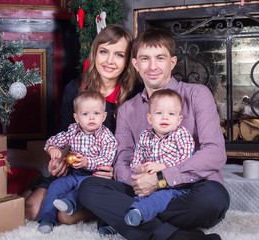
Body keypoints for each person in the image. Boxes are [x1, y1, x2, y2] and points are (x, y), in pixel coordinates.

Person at [78, 28, 230, 240]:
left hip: (190, 189)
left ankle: (128, 220)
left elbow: (214, 153)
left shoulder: (197, 94)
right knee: (88, 188)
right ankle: (176, 236)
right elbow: (122, 160)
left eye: (160, 58)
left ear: (172, 62)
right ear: (135, 64)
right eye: (144, 59)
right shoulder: (127, 109)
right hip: (141, 187)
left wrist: (162, 178)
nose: (152, 66)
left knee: (214, 198)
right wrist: (140, 181)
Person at [23, 24, 141, 224]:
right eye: (104, 52)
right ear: (95, 53)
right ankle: (32, 186)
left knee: (65, 216)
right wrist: (59, 158)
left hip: (105, 174)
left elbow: (139, 144)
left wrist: (118, 171)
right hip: (74, 169)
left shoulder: (134, 95)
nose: (110, 61)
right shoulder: (76, 88)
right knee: (32, 212)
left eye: (119, 55)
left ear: (128, 60)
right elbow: (65, 132)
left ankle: (103, 206)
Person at [37, 90, 118, 233]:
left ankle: (70, 203)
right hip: (73, 173)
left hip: (94, 176)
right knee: (55, 186)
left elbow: (107, 158)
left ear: (104, 116)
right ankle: (46, 219)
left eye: (97, 113)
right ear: (77, 117)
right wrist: (52, 149)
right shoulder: (73, 131)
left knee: (85, 188)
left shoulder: (106, 136)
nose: (91, 117)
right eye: (85, 114)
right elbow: (53, 140)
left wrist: (88, 162)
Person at [124, 89, 194, 227]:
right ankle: (119, 222)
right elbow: (136, 160)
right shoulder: (145, 136)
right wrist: (140, 168)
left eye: (171, 114)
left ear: (179, 119)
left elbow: (186, 160)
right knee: (136, 197)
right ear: (150, 118)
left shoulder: (182, 135)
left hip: (175, 187)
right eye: (159, 113)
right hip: (148, 183)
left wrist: (164, 166)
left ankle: (140, 215)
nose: (165, 117)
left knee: (160, 198)